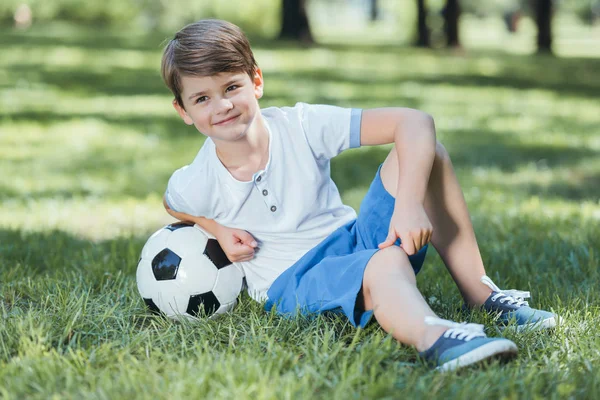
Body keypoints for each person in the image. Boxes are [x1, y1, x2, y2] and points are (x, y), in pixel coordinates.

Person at [159, 19, 559, 371]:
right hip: (293, 282)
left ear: (257, 81)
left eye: (232, 86)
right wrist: (217, 227)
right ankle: (437, 337)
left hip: (353, 241)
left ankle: (483, 296)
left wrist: (407, 206)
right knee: (384, 264)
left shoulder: (299, 125)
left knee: (427, 154)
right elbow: (173, 202)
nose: (223, 105)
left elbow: (415, 123)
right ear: (184, 111)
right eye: (202, 98)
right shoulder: (199, 178)